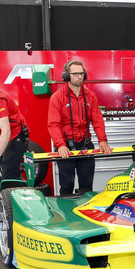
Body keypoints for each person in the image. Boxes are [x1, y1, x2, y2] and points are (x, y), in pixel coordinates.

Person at [47, 60, 112, 195]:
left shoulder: (90, 96)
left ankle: (84, 214)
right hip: (65, 147)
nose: (79, 77)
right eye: (75, 74)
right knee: (66, 186)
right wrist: (60, 145)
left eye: (81, 73)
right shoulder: (57, 98)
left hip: (85, 145)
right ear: (66, 76)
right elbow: (53, 124)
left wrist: (102, 141)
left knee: (86, 188)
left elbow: (97, 121)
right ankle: (66, 215)